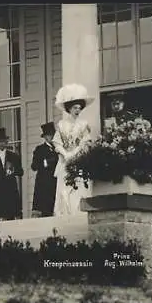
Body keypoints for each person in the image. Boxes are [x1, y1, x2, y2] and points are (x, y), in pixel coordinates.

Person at [52, 83, 94, 216]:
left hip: (78, 160)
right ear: (69, 109)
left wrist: (74, 154)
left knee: (78, 186)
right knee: (64, 186)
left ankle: (78, 213)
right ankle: (65, 213)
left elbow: (84, 142)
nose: (77, 110)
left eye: (79, 108)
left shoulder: (83, 124)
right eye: (75, 107)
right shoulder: (61, 124)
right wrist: (65, 154)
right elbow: (57, 143)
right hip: (65, 160)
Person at [0, 128, 24, 221]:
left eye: (3, 141)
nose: (2, 143)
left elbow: (21, 172)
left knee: (10, 217)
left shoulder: (13, 156)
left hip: (10, 190)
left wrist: (13, 170)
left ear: (7, 142)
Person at [31, 122, 58, 217]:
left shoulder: (58, 148)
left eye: (53, 135)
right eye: (50, 135)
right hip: (44, 183)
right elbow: (33, 166)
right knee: (45, 210)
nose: (52, 137)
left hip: (56, 182)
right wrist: (44, 163)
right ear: (45, 137)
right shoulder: (40, 149)